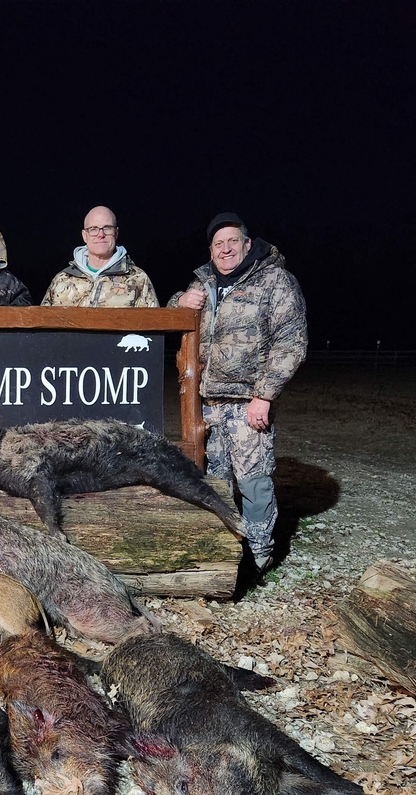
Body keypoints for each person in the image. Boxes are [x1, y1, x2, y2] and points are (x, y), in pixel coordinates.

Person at [168, 213, 308, 575]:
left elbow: (291, 342)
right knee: (213, 479)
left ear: (247, 244)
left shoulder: (275, 281)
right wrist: (180, 302)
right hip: (207, 404)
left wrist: (265, 395)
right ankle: (222, 550)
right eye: (218, 244)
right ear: (210, 251)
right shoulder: (202, 283)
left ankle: (259, 555)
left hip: (248, 403)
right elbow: (169, 317)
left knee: (253, 481)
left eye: (233, 241)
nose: (225, 249)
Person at [41, 206, 158, 307]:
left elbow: (153, 323)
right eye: (93, 229)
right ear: (84, 235)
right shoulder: (62, 279)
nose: (100, 234)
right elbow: (42, 321)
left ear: (116, 233)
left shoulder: (138, 279)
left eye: (107, 228)